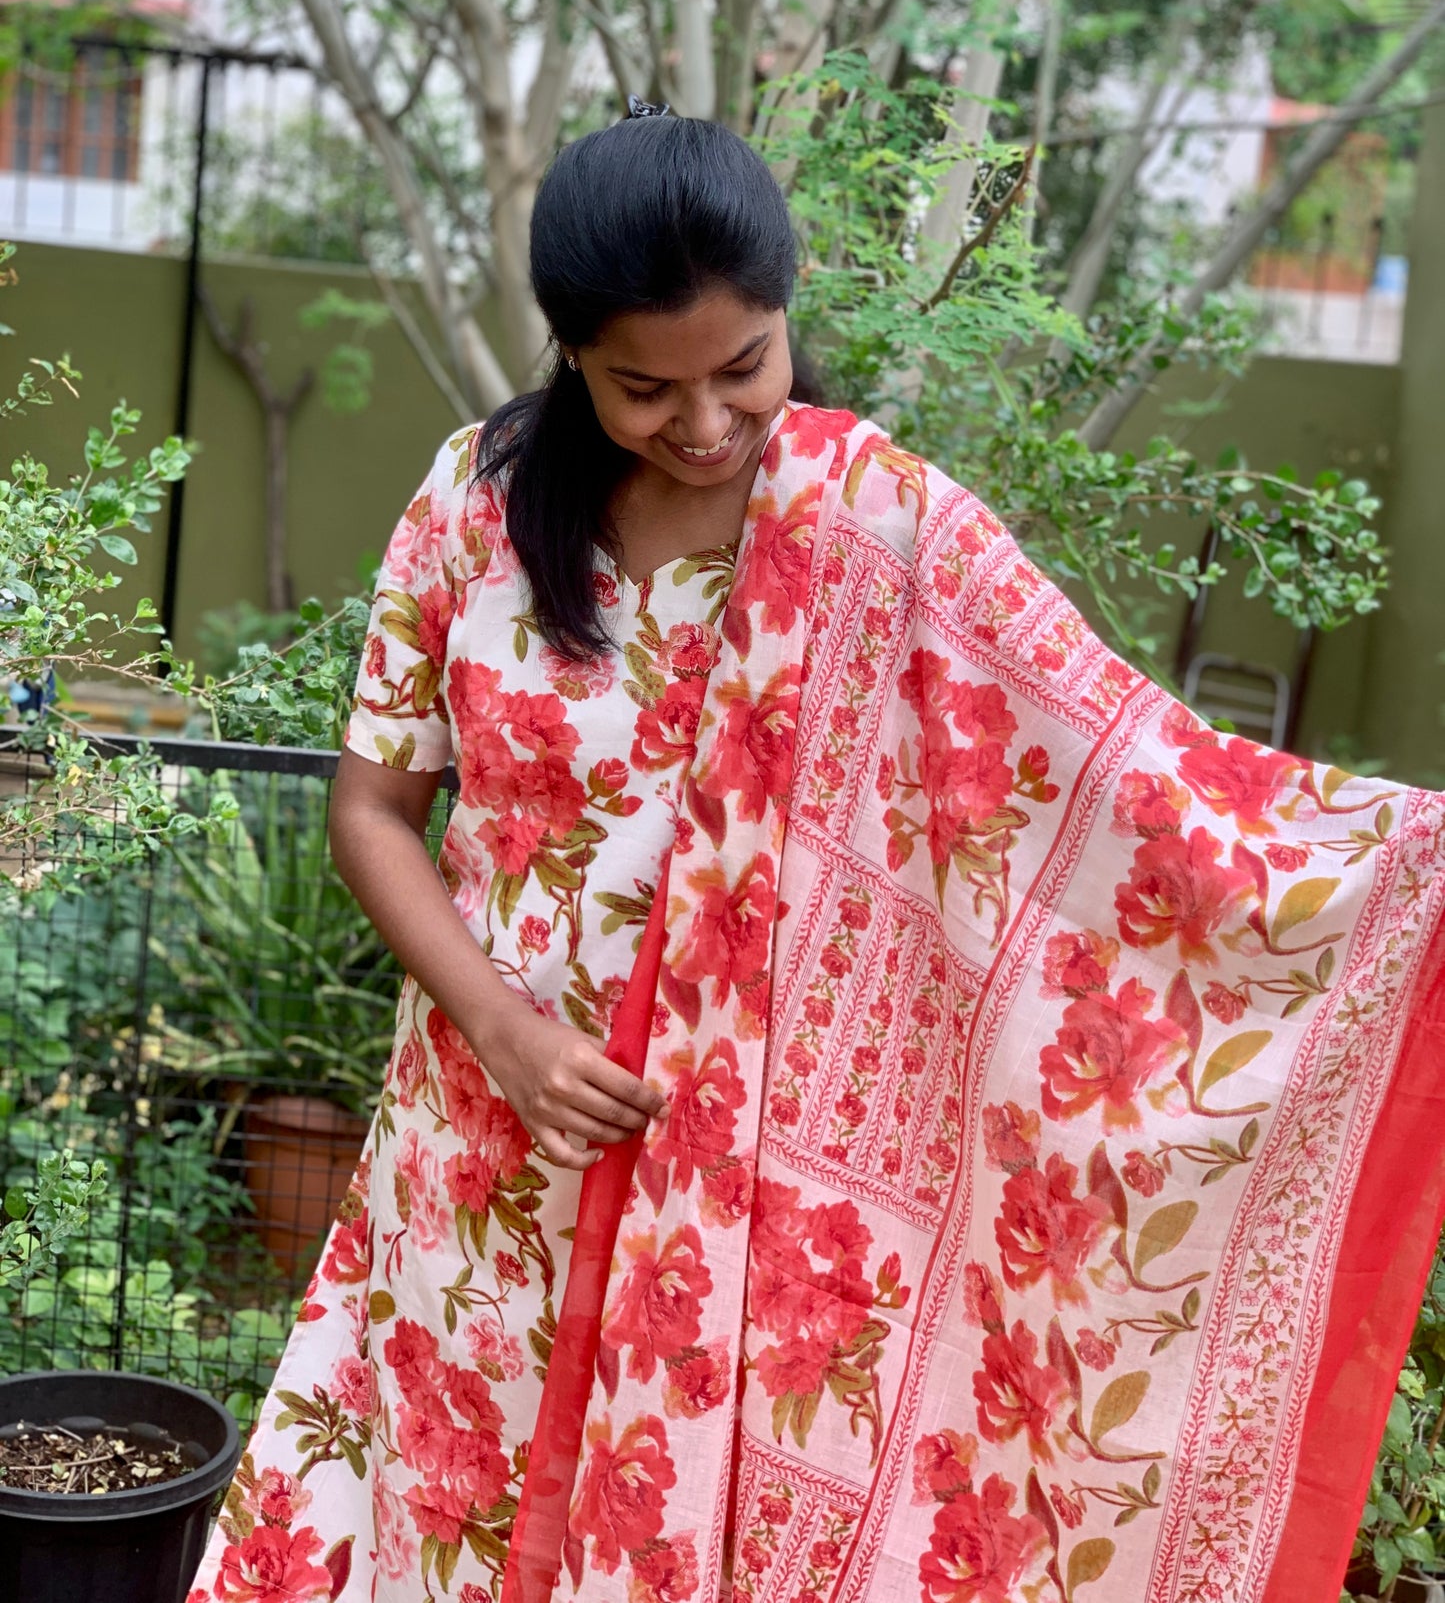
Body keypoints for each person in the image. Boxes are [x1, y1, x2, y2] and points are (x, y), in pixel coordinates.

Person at [190, 107, 1445, 1603]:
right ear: (571, 353)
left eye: (743, 367)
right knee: (438, 1520)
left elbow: (1133, 775)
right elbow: (372, 810)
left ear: (787, 315)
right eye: (642, 386)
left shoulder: (880, 529)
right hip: (484, 1150)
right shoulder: (474, 502)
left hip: (750, 1199)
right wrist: (498, 1024)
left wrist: (1403, 864)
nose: (706, 424)